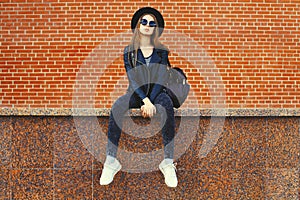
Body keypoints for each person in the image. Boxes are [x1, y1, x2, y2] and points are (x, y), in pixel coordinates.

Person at [100, 7, 177, 188]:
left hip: (158, 92)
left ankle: (168, 162)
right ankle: (111, 160)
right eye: (144, 22)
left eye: (152, 23)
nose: (147, 26)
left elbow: (160, 79)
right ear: (138, 26)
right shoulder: (130, 51)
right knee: (118, 106)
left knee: (166, 106)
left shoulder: (161, 51)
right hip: (137, 93)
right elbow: (132, 79)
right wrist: (146, 101)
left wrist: (153, 100)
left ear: (155, 29)